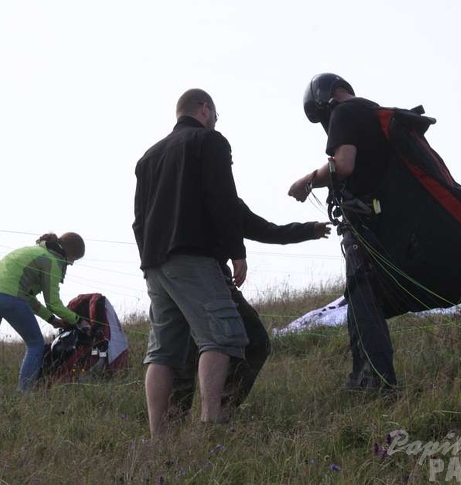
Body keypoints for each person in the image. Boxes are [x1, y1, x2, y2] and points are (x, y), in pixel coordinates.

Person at [288, 73, 461, 392]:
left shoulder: (344, 111)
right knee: (362, 297)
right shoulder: (375, 118)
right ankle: (365, 378)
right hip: (452, 248)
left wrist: (307, 181)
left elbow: (342, 165)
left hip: (424, 249)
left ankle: (374, 382)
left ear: (325, 102)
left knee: (362, 292)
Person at [133, 88, 248, 437]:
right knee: (221, 336)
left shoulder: (148, 158)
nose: (214, 120)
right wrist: (236, 250)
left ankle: (158, 437)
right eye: (214, 114)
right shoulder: (209, 142)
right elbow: (223, 198)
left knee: (163, 350)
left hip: (155, 263)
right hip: (191, 255)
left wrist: (148, 259)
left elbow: (139, 219)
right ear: (204, 109)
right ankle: (210, 423)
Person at [169, 199, 331, 420]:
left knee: (249, 341)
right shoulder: (181, 197)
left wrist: (309, 229)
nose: (229, 163)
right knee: (191, 352)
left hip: (188, 281)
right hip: (198, 283)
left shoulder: (228, 202)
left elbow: (266, 230)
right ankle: (187, 422)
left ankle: (218, 413)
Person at [0, 232, 86, 401]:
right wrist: (78, 321)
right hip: (7, 296)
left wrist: (51, 320)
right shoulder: (51, 261)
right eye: (74, 259)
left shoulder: (34, 251)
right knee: (35, 344)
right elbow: (54, 303)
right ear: (70, 253)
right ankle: (25, 395)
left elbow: (28, 297)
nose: (72, 264)